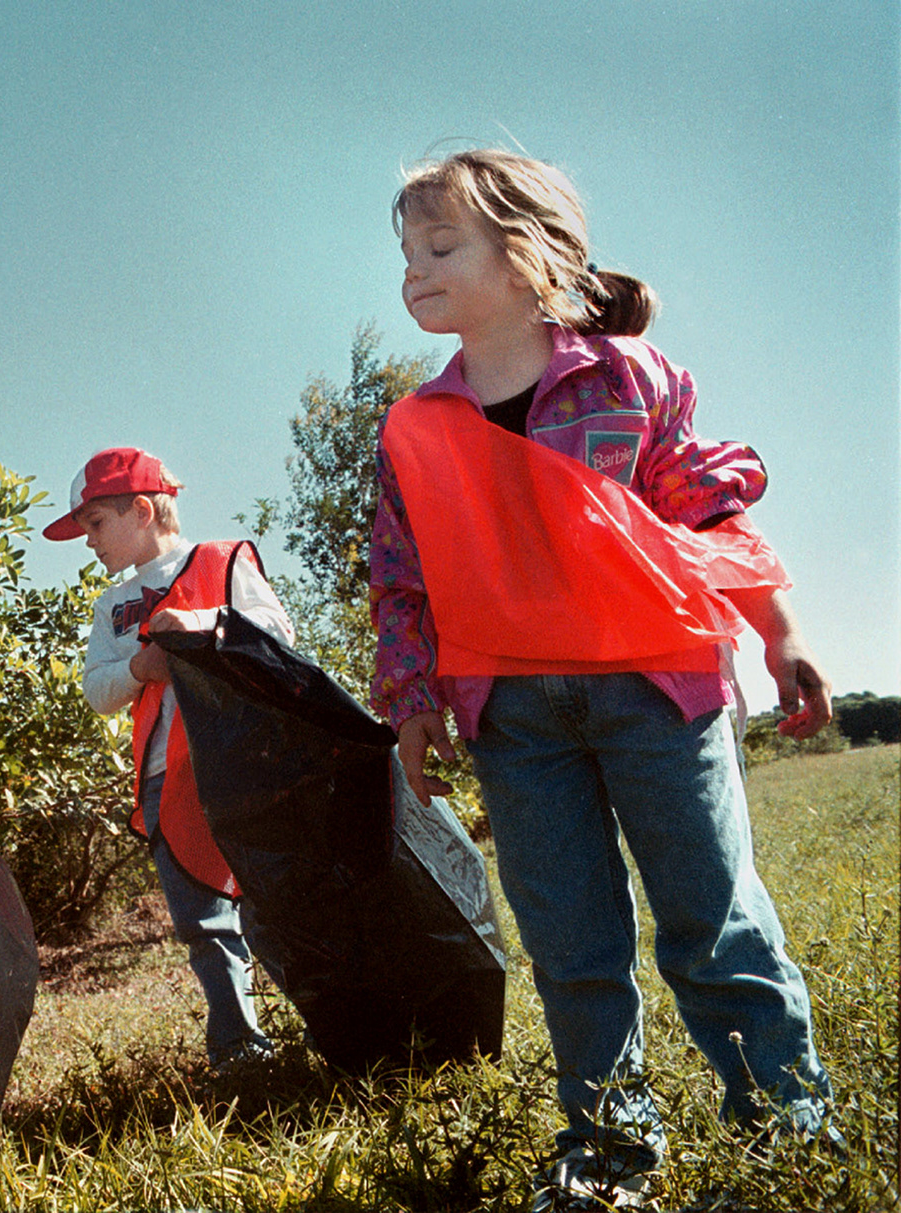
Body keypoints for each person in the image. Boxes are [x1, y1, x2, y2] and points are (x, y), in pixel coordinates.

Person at [370, 148, 833, 1211]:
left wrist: (781, 629)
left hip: (656, 686)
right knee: (571, 943)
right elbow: (400, 580)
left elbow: (709, 514)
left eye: (441, 247)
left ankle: (785, 1134)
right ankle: (610, 1150)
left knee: (712, 919)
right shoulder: (414, 429)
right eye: (406, 254)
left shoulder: (633, 377)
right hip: (514, 713)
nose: (415, 271)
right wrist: (412, 704)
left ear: (530, 256)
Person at [45, 447, 295, 1078]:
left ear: (141, 509)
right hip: (163, 779)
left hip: (243, 763)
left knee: (276, 902)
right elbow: (98, 691)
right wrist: (142, 666)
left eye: (96, 524)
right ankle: (241, 1050)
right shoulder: (113, 606)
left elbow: (275, 632)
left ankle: (330, 1022)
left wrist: (203, 626)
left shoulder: (220, 560)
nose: (88, 542)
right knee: (202, 919)